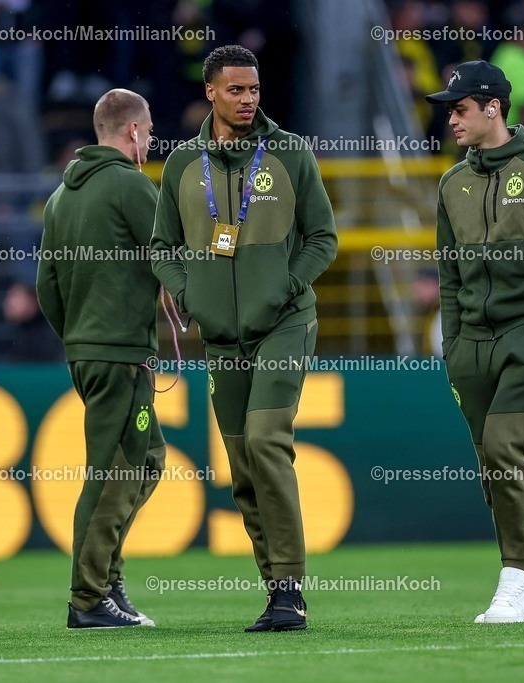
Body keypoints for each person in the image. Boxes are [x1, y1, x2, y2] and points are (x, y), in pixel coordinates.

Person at [150, 45, 337, 632]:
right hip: (222, 341)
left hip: (285, 324)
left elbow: (323, 238)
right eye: (235, 90)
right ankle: (278, 594)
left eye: (254, 89)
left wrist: (287, 286)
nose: (248, 99)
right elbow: (161, 248)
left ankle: (291, 592)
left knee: (264, 439)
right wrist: (189, 295)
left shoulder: (289, 153)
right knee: (242, 469)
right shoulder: (182, 164)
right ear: (210, 92)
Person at [425, 60, 524, 623]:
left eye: (460, 110)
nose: (452, 122)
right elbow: (447, 272)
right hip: (470, 343)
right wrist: (453, 340)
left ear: (493, 108)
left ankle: (517, 580)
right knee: (493, 466)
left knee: (506, 451)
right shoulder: (451, 183)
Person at [36, 88, 165, 629]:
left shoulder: (60, 198)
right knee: (117, 470)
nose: (152, 139)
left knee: (147, 461)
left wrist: (79, 336)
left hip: (90, 351)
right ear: (132, 132)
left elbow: (46, 286)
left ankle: (107, 579)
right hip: (119, 353)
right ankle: (88, 597)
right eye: (150, 129)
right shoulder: (131, 187)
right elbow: (171, 257)